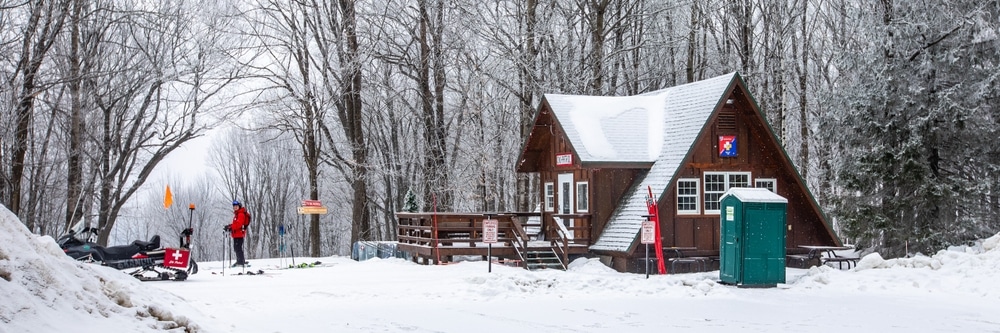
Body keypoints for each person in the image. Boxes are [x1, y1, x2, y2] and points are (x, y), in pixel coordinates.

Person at [227, 200, 251, 267]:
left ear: (239, 206)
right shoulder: (237, 214)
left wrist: (231, 227)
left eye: (236, 206)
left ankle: (240, 262)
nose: (235, 207)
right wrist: (230, 226)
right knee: (237, 248)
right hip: (236, 234)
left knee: (238, 248)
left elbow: (239, 224)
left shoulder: (240, 214)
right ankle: (240, 260)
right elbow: (236, 224)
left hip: (239, 234)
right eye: (234, 206)